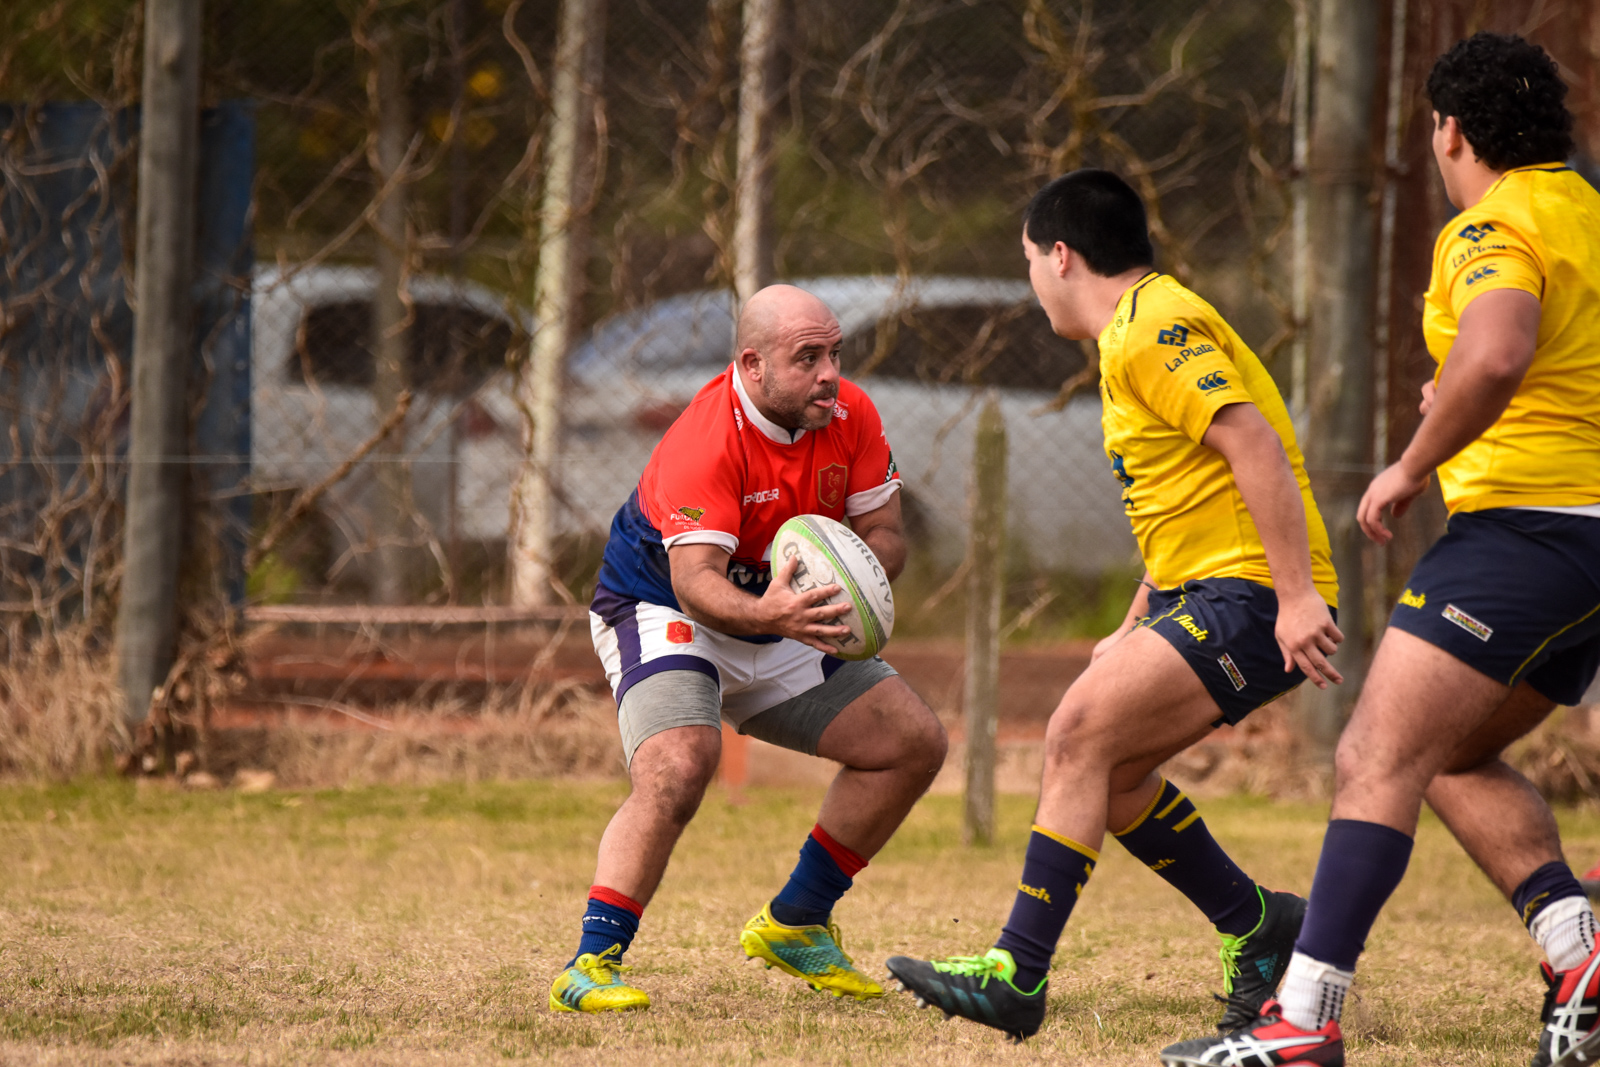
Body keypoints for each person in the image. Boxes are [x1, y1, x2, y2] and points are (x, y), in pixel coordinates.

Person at [1159, 33, 1600, 1067]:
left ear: (1449, 130)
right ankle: (1574, 951)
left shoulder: (1491, 223)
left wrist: (1410, 461)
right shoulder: (1587, 212)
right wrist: (1461, 403)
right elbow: (1532, 368)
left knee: (1370, 755)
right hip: (1581, 542)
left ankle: (1301, 1020)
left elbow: (1496, 349)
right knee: (1444, 751)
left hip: (1526, 532)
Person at [885, 169, 1343, 1042]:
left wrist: (1293, 597)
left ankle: (1017, 972)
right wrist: (1136, 619)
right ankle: (1260, 926)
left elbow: (1252, 445)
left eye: (1027, 260)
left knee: (1076, 733)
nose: (1029, 280)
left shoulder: (1154, 329)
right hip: (1208, 586)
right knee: (1117, 771)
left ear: (1062, 256)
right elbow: (1182, 496)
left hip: (1248, 592)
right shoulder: (1128, 337)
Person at [548, 283, 948, 1014]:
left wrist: (847, 574)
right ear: (753, 364)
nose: (830, 373)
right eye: (808, 358)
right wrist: (772, 612)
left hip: (783, 608)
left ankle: (796, 921)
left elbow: (889, 536)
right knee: (679, 763)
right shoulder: (706, 439)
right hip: (668, 608)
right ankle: (590, 963)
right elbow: (696, 580)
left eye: (834, 353)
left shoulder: (850, 413)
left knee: (911, 740)